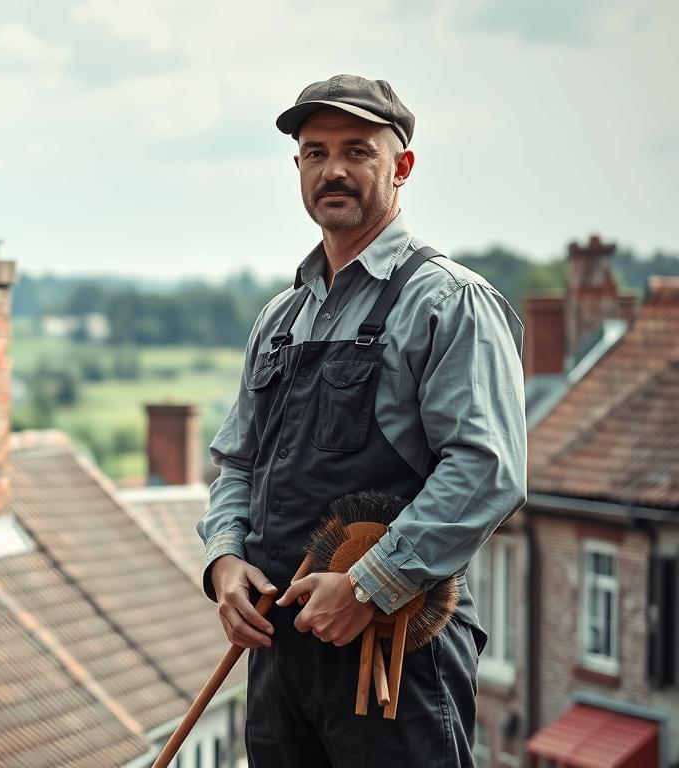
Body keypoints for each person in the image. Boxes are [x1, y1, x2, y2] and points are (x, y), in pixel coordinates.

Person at [196, 74, 528, 766]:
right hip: (281, 651)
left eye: (356, 151)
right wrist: (225, 560)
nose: (334, 171)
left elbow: (485, 470)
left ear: (401, 166)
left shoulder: (449, 303)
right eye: (315, 153)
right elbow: (238, 462)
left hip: (396, 651)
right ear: (298, 170)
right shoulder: (279, 320)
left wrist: (369, 585)